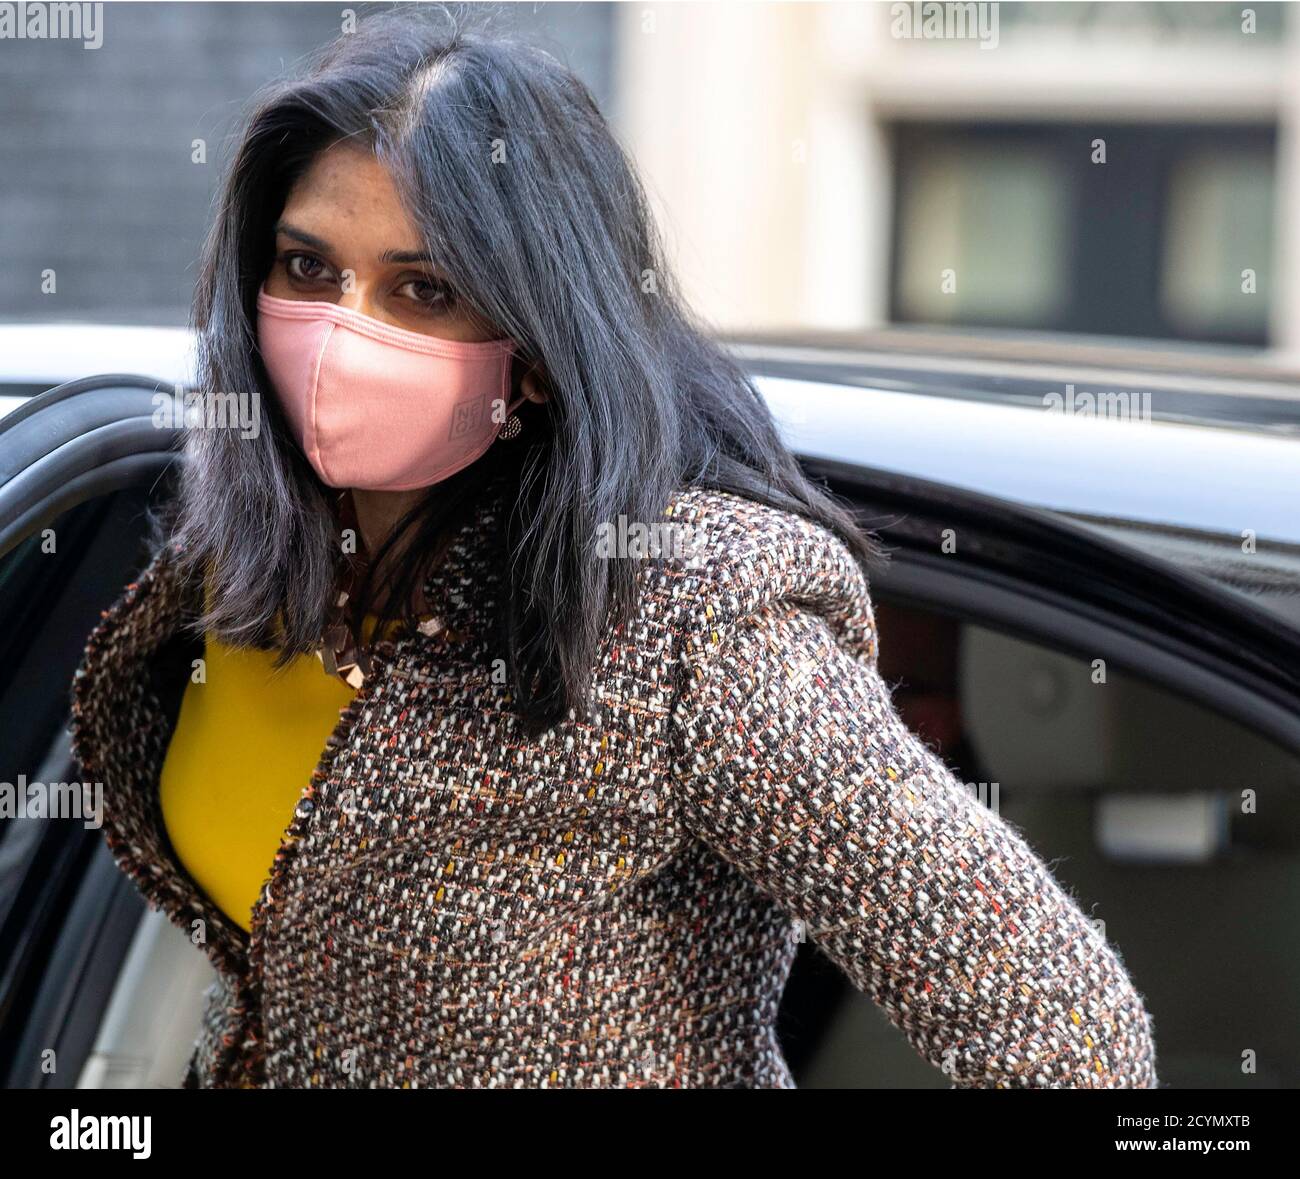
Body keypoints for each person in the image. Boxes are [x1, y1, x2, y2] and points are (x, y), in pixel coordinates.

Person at [69, 11, 1157, 1089]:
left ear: (541, 344)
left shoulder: (693, 617)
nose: (343, 331)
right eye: (308, 269)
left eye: (423, 289)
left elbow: (1066, 1038)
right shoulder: (243, 563)